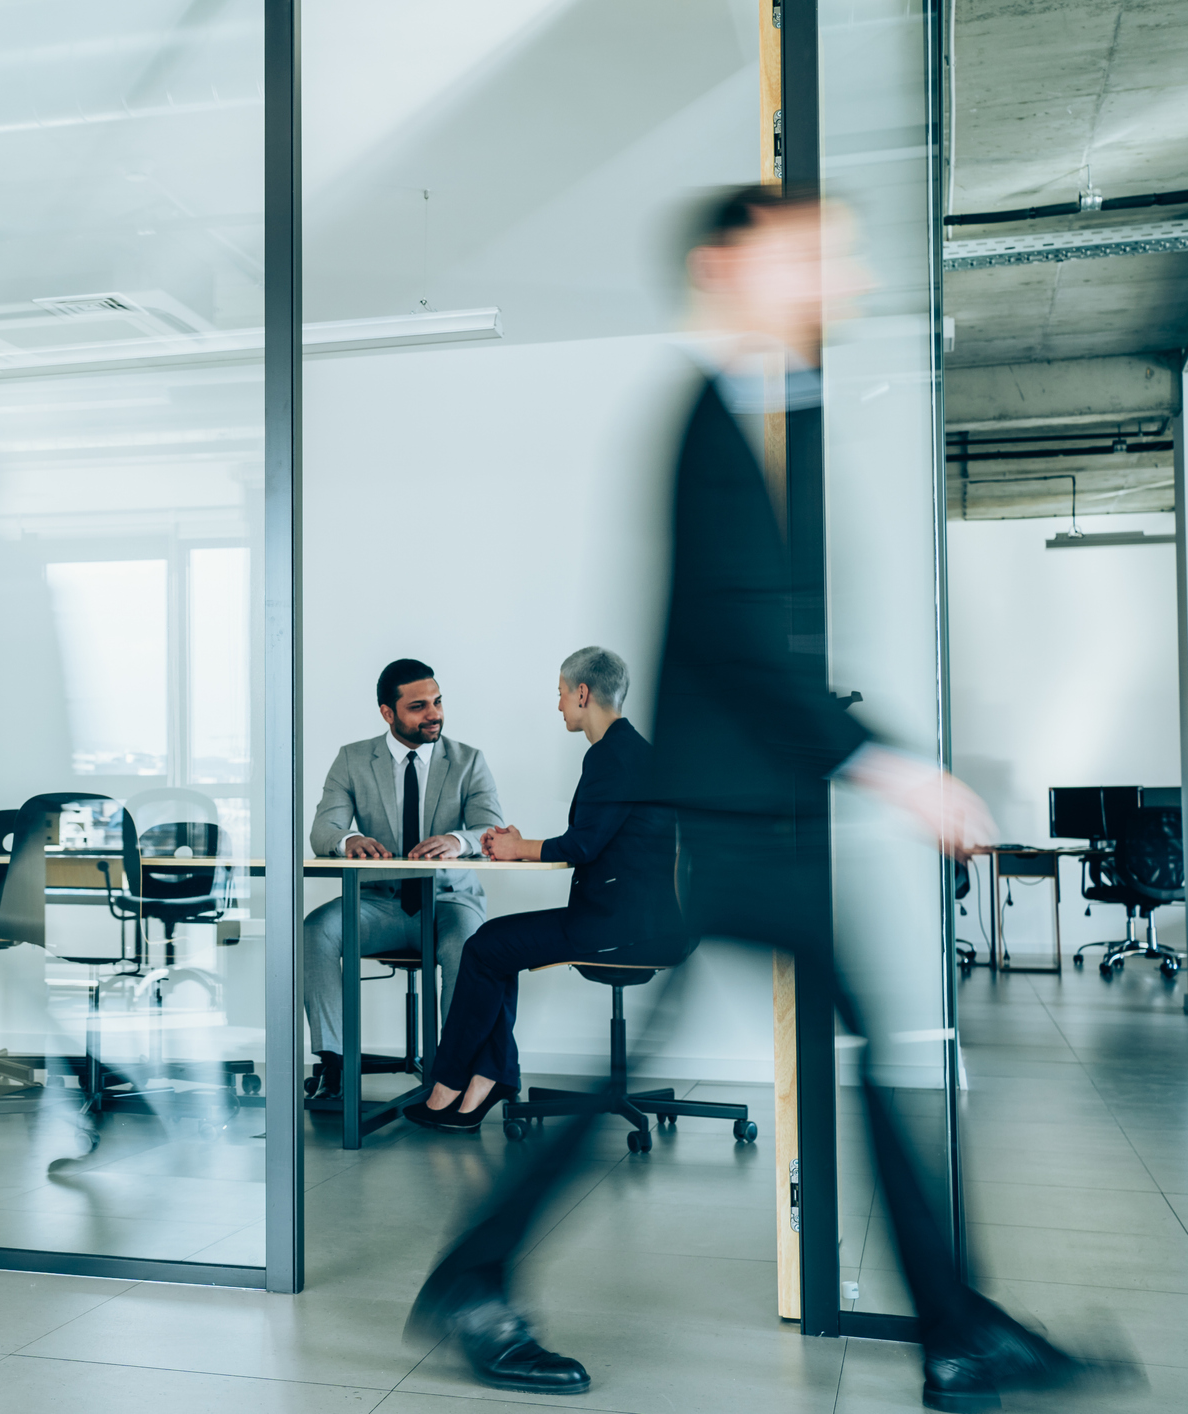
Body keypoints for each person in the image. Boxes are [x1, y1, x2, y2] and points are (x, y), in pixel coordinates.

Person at [407, 183, 1116, 1413]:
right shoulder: (712, 419)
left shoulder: (776, 409)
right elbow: (743, 642)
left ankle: (956, 1328)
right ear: (733, 270)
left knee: (869, 1053)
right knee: (817, 1055)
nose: (841, 276)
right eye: (812, 257)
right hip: (734, 824)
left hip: (758, 815)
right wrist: (893, 764)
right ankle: (479, 1277)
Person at [405, 647, 679, 1136]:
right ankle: (486, 1081)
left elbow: (583, 845)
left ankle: (454, 1084)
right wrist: (517, 845)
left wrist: (517, 847)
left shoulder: (613, 756)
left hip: (618, 926)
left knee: (486, 947)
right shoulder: (631, 750)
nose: (557, 707)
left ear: (582, 692)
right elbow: (600, 838)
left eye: (559, 694)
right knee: (494, 947)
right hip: (636, 918)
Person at [304, 659, 504, 1098]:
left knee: (469, 948)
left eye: (437, 702)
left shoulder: (468, 761)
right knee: (315, 931)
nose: (434, 714)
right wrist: (348, 841)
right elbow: (323, 830)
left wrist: (457, 839)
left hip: (451, 902)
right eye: (418, 706)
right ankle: (335, 1064)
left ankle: (454, 1071)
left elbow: (491, 830)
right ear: (387, 713)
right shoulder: (353, 760)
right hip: (383, 903)